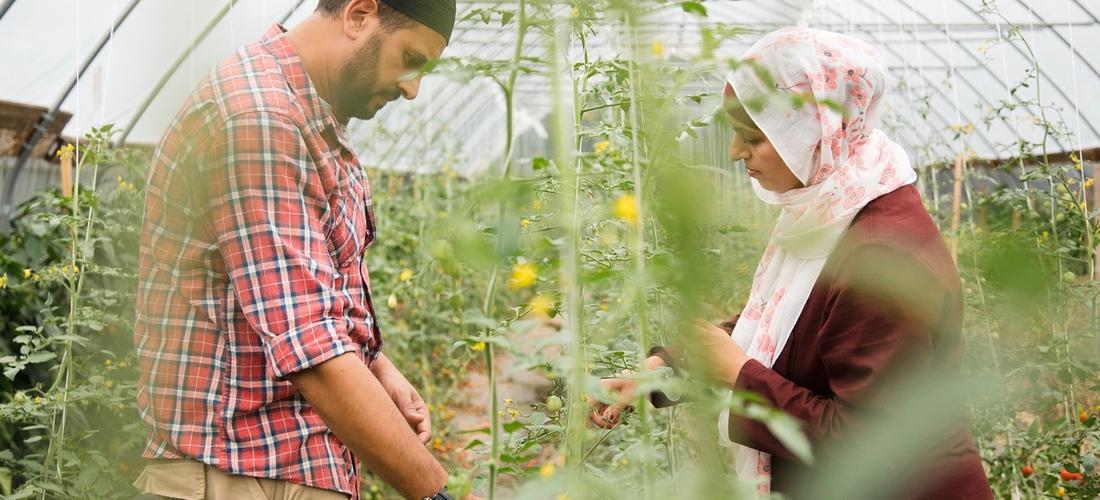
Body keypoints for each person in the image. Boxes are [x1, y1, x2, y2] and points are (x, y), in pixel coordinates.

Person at [589, 27, 994, 499]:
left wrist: (742, 379)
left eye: (752, 137)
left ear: (815, 131)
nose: (735, 153)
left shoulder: (879, 255)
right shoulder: (838, 203)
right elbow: (801, 324)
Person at [132, 1, 466, 499]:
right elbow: (311, 348)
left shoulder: (311, 117)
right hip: (236, 475)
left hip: (282, 468)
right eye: (411, 59)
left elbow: (306, 295)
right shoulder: (258, 117)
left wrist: (375, 364)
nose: (412, 90)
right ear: (358, 14)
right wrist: (443, 495)